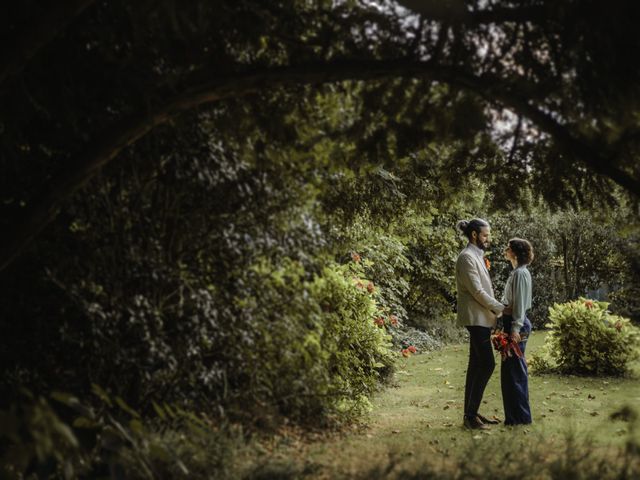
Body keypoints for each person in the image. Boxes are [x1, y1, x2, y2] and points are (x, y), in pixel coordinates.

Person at [455, 218, 505, 430]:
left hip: (481, 318)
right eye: (485, 235)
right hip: (476, 319)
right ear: (474, 235)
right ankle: (470, 416)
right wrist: (500, 308)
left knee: (476, 365)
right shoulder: (467, 257)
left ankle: (471, 414)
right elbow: (477, 292)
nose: (488, 239)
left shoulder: (476, 256)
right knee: (487, 364)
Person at [500, 237, 534, 425]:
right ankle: (513, 418)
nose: (506, 249)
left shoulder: (521, 274)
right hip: (511, 322)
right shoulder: (517, 273)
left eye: (509, 247)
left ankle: (521, 418)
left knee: (515, 372)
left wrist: (514, 329)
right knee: (510, 372)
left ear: (515, 252)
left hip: (516, 324)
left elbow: (519, 305)